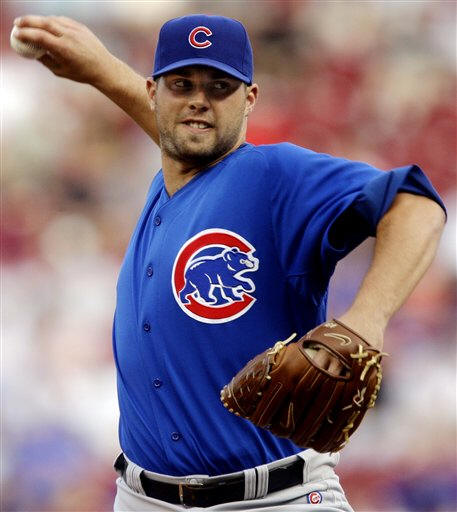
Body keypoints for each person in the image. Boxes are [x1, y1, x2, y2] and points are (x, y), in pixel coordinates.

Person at [13, 13, 446, 511]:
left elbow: (416, 205)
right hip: (141, 498)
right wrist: (103, 71)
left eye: (220, 87)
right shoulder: (175, 182)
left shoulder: (274, 177)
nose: (199, 100)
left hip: (274, 498)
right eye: (182, 84)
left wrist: (365, 320)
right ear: (153, 92)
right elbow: (183, 132)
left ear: (250, 99)